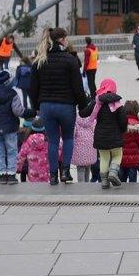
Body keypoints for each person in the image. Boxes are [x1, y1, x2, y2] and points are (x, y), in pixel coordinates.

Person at [30, 28, 89, 185]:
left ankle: (53, 175)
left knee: (53, 141)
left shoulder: (40, 61)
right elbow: (78, 87)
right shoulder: (70, 60)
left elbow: (32, 88)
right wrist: (83, 106)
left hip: (46, 107)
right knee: (68, 138)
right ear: (62, 39)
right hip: (66, 106)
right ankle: (65, 172)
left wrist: (36, 106)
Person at [0, 70, 28, 185]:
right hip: (10, 128)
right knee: (12, 151)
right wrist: (30, 113)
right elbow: (18, 111)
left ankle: (2, 175)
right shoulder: (13, 94)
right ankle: (11, 175)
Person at [86, 78, 128, 189]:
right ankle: (113, 173)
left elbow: (85, 112)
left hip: (101, 136)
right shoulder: (117, 103)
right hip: (115, 137)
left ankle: (104, 181)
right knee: (117, 155)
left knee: (104, 158)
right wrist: (123, 130)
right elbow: (123, 120)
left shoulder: (97, 102)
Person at [121, 100, 139, 183]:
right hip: (134, 160)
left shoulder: (121, 124)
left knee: (122, 180)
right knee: (132, 181)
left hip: (121, 158)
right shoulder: (137, 126)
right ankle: (132, 195)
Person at [17, 118, 51, 182]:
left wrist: (18, 168)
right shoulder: (47, 141)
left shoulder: (27, 141)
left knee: (34, 190)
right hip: (46, 174)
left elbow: (21, 156)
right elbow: (57, 152)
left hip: (33, 174)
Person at [71, 111, 97, 183]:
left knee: (80, 169)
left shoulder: (75, 121)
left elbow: (72, 134)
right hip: (90, 149)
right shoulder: (93, 121)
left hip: (79, 151)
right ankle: (87, 186)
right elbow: (96, 132)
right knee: (88, 167)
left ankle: (81, 188)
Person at [17, 118, 33, 182]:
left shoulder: (19, 134)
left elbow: (17, 146)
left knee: (22, 174)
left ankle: (23, 186)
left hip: (22, 158)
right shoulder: (32, 135)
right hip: (31, 160)